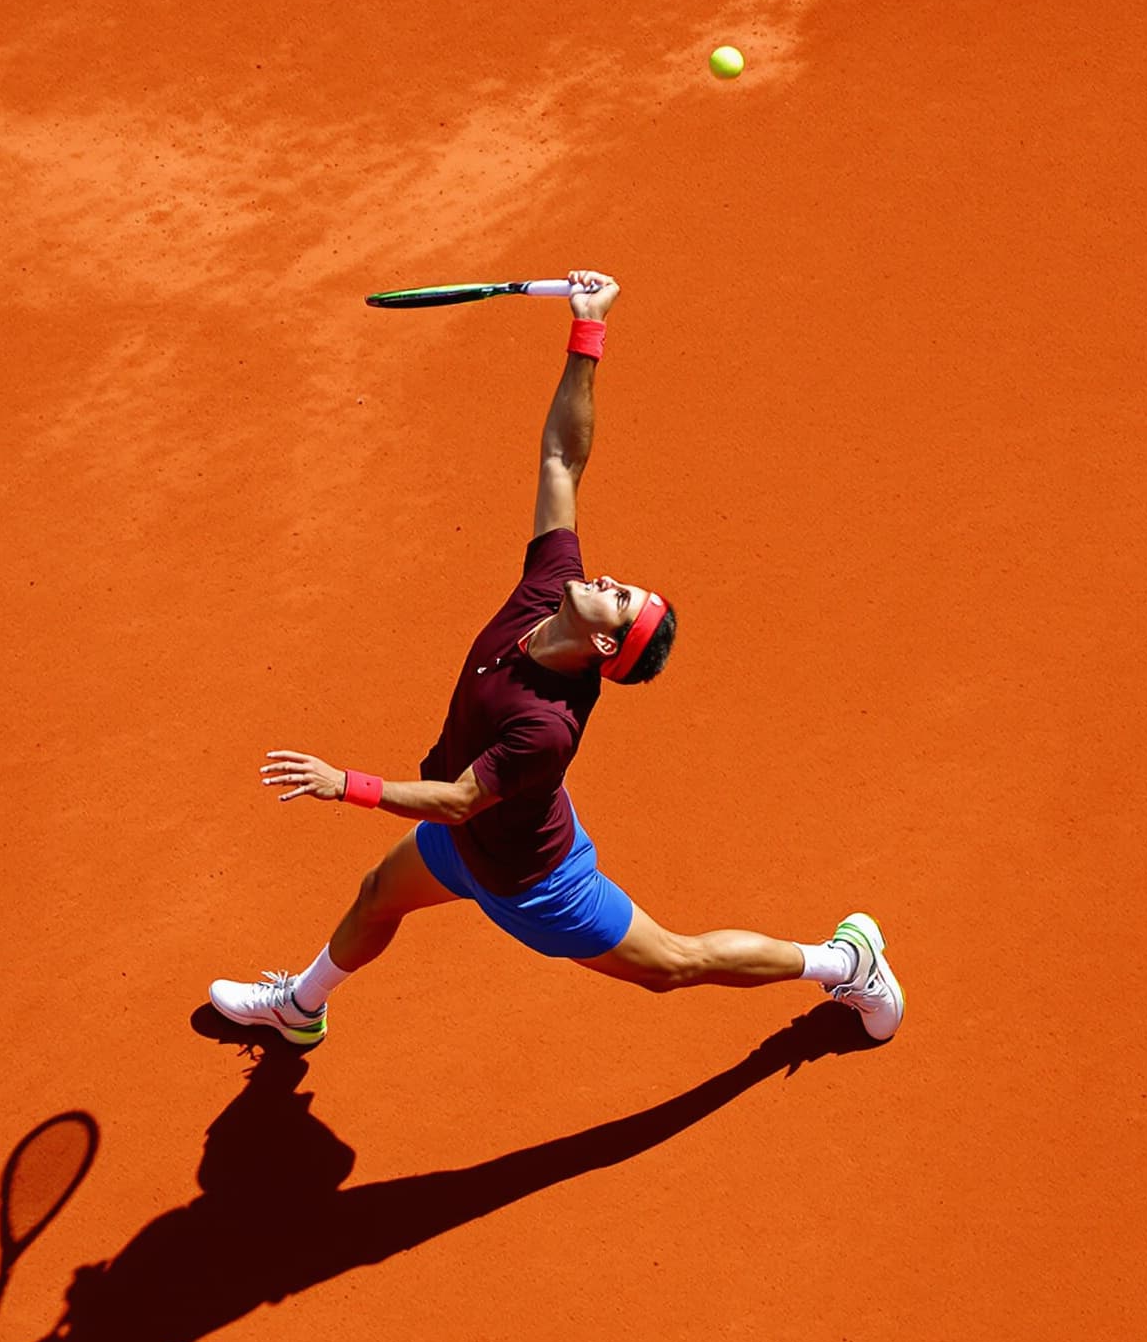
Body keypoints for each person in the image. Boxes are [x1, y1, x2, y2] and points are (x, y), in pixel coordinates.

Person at [209, 270, 902, 1048]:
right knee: (378, 896)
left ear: (605, 645)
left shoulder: (545, 725)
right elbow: (562, 460)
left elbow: (459, 800)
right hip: (466, 841)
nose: (606, 580)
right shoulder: (552, 587)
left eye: (621, 598)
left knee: (673, 963)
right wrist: (588, 328)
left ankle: (845, 963)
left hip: (533, 881)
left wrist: (348, 787)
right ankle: (301, 1008)